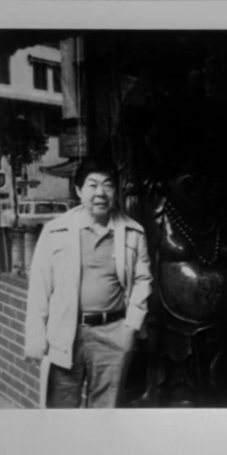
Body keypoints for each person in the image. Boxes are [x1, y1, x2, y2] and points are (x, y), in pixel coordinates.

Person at [24, 158, 153, 408]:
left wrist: (131, 328)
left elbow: (142, 280)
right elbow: (39, 288)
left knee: (105, 420)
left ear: (116, 191)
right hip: (65, 334)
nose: (100, 193)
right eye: (92, 185)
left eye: (108, 185)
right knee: (60, 416)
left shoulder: (133, 233)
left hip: (114, 334)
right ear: (78, 190)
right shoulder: (55, 231)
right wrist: (36, 338)